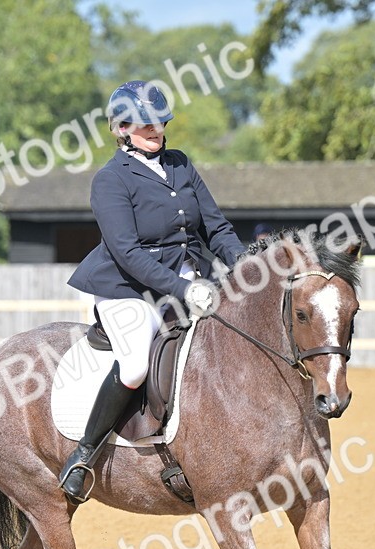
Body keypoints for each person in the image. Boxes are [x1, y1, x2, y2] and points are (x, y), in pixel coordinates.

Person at [60, 80, 244, 503]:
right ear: (121, 128)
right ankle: (84, 454)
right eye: (146, 126)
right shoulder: (110, 180)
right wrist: (183, 288)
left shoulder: (180, 164)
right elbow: (126, 252)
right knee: (134, 366)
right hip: (127, 286)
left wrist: (243, 263)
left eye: (160, 123)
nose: (156, 131)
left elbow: (215, 227)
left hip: (192, 277)